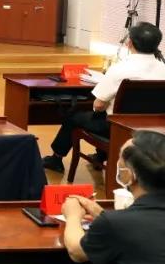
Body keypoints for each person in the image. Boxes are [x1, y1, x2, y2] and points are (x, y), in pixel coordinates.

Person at [53, 130, 165, 264]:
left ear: (131, 175)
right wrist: (102, 215)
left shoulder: (118, 224)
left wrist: (72, 216)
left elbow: (76, 251)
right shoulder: (121, 222)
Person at [42, 22, 165, 173]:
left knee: (74, 116)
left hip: (116, 128)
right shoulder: (163, 68)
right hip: (155, 129)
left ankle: (56, 159)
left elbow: (99, 105)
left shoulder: (120, 69)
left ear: (130, 43)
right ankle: (100, 157)